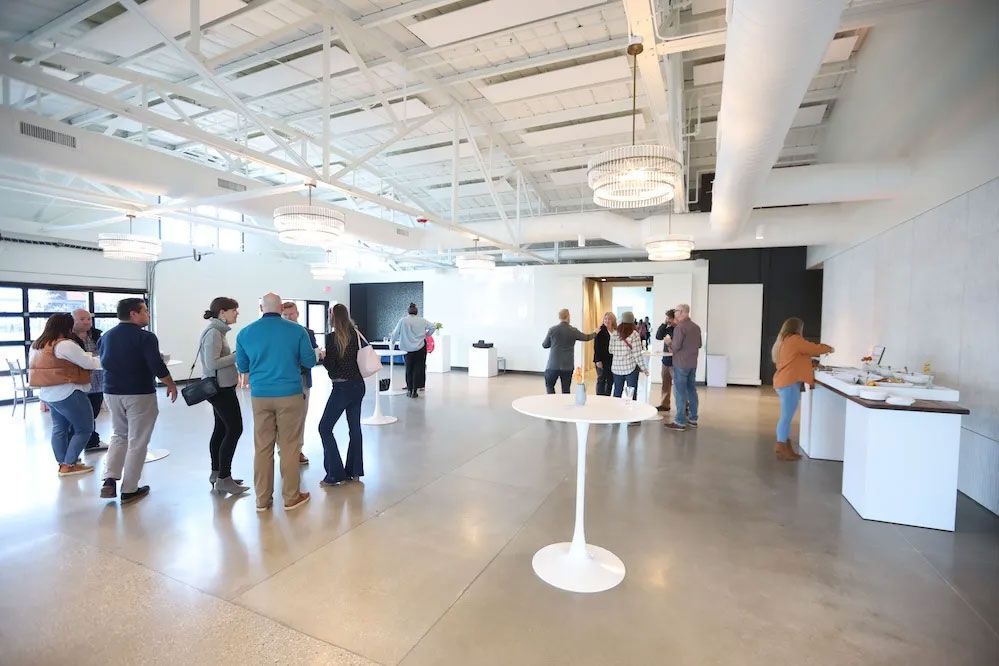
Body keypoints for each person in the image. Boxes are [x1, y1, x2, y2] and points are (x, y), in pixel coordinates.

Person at [236, 293, 316, 512]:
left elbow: (242, 367)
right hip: (290, 393)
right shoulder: (296, 331)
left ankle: (262, 500)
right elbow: (310, 360)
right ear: (281, 308)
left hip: (260, 396)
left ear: (261, 307)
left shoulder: (245, 333)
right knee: (289, 447)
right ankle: (291, 497)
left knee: (262, 447)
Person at [98, 298, 178, 503]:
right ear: (133, 314)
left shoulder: (106, 336)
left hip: (111, 392)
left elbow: (103, 361)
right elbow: (156, 364)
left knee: (119, 434)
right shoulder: (146, 337)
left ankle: (109, 478)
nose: (148, 315)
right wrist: (170, 383)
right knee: (138, 440)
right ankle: (130, 488)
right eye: (145, 311)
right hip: (139, 393)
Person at [28, 313, 102, 477]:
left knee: (59, 429)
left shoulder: (37, 345)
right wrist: (109, 359)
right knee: (84, 428)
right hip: (68, 391)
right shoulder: (65, 344)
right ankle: (69, 464)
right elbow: (88, 363)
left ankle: (63, 463)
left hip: (48, 393)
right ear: (67, 327)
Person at [199, 297, 248, 495]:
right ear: (222, 312)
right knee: (235, 429)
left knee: (221, 429)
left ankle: (218, 473)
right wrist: (238, 354)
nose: (237, 313)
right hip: (221, 389)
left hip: (221, 387)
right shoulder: (214, 333)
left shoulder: (218, 331)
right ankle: (224, 477)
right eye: (234, 310)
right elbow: (213, 363)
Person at [318, 304, 367, 486]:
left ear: (333, 316)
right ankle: (355, 471)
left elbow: (332, 366)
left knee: (324, 427)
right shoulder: (357, 334)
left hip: (341, 388)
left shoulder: (332, 338)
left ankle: (334, 473)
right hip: (358, 386)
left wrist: (323, 357)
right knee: (355, 428)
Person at [772, 317, 834, 461]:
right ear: (797, 328)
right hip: (788, 383)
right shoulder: (795, 339)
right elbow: (813, 348)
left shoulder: (784, 340)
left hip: (784, 382)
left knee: (786, 416)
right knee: (786, 417)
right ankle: (781, 446)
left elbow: (797, 358)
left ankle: (786, 447)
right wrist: (829, 349)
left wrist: (809, 363)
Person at [281, 301, 321, 465]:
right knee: (283, 419)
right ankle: (284, 449)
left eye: (292, 314)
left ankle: (297, 449)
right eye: (286, 315)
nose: (289, 317)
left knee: (300, 417)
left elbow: (313, 354)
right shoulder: (278, 333)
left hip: (302, 380)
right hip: (282, 381)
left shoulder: (307, 332)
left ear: (297, 313)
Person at [71, 308, 108, 452]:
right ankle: (80, 443)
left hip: (97, 381)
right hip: (78, 382)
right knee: (80, 416)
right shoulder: (68, 338)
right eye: (82, 319)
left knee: (93, 412)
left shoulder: (97, 334)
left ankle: (91, 442)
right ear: (73, 320)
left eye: (88, 319)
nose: (86, 322)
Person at [664, 303, 702, 432]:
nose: (675, 313)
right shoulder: (696, 327)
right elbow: (700, 344)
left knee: (680, 392)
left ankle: (680, 421)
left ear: (682, 312)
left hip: (680, 363)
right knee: (691, 390)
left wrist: (669, 342)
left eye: (676, 311)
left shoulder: (680, 328)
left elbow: (675, 347)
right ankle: (693, 418)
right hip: (692, 363)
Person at [541, 309, 595, 394]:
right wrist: (595, 333)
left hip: (553, 365)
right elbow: (586, 338)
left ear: (560, 317)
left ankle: (551, 403)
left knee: (550, 386)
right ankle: (564, 405)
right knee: (566, 389)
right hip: (567, 366)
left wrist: (554, 342)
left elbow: (545, 345)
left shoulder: (552, 330)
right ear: (568, 316)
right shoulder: (573, 330)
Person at [391, 303, 435, 398]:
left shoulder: (403, 321)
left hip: (407, 349)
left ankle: (409, 390)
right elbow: (433, 327)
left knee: (409, 369)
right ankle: (415, 390)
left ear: (408, 311)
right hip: (420, 347)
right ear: (416, 311)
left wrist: (393, 342)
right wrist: (427, 335)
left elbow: (395, 333)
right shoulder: (422, 320)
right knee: (418, 369)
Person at [608, 312, 648, 411]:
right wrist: (644, 369)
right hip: (630, 368)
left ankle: (614, 413)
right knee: (631, 392)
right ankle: (631, 415)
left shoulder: (614, 333)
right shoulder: (634, 334)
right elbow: (637, 354)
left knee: (617, 391)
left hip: (617, 368)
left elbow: (610, 350)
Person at [654, 309, 676, 412]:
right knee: (665, 384)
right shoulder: (667, 328)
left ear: (674, 318)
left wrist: (670, 342)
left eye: (669, 318)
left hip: (676, 362)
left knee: (679, 386)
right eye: (666, 318)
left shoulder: (679, 329)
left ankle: (685, 405)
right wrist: (664, 324)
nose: (668, 320)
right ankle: (665, 404)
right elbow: (658, 336)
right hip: (666, 361)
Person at [593, 312, 616, 396]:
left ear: (613, 320)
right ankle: (599, 397)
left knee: (610, 379)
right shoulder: (600, 330)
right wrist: (598, 360)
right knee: (601, 379)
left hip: (612, 360)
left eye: (609, 319)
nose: (607, 320)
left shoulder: (615, 331)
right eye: (605, 318)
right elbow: (596, 347)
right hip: (601, 360)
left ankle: (607, 397)